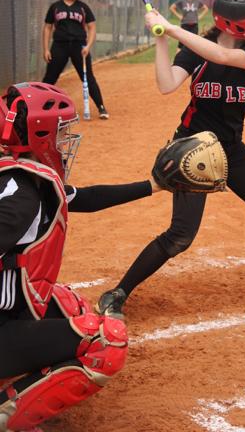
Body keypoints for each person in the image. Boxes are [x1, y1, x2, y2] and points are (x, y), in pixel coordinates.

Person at [96, 0, 245, 320]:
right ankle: (117, 293)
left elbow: (222, 56)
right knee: (180, 236)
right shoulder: (192, 52)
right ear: (235, 23)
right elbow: (166, 84)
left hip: (231, 149)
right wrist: (162, 38)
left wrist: (173, 27)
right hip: (192, 150)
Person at [0, 81, 162, 432]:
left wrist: (154, 186)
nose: (65, 140)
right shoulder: (21, 200)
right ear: (39, 134)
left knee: (71, 305)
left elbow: (85, 198)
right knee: (105, 340)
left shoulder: (20, 177)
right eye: (60, 132)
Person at [42, 0, 109, 120]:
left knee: (87, 78)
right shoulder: (55, 7)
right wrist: (46, 49)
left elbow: (92, 27)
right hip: (59, 45)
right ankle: (40, 106)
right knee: (50, 78)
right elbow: (48, 27)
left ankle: (101, 107)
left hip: (79, 46)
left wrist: (88, 46)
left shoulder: (83, 8)